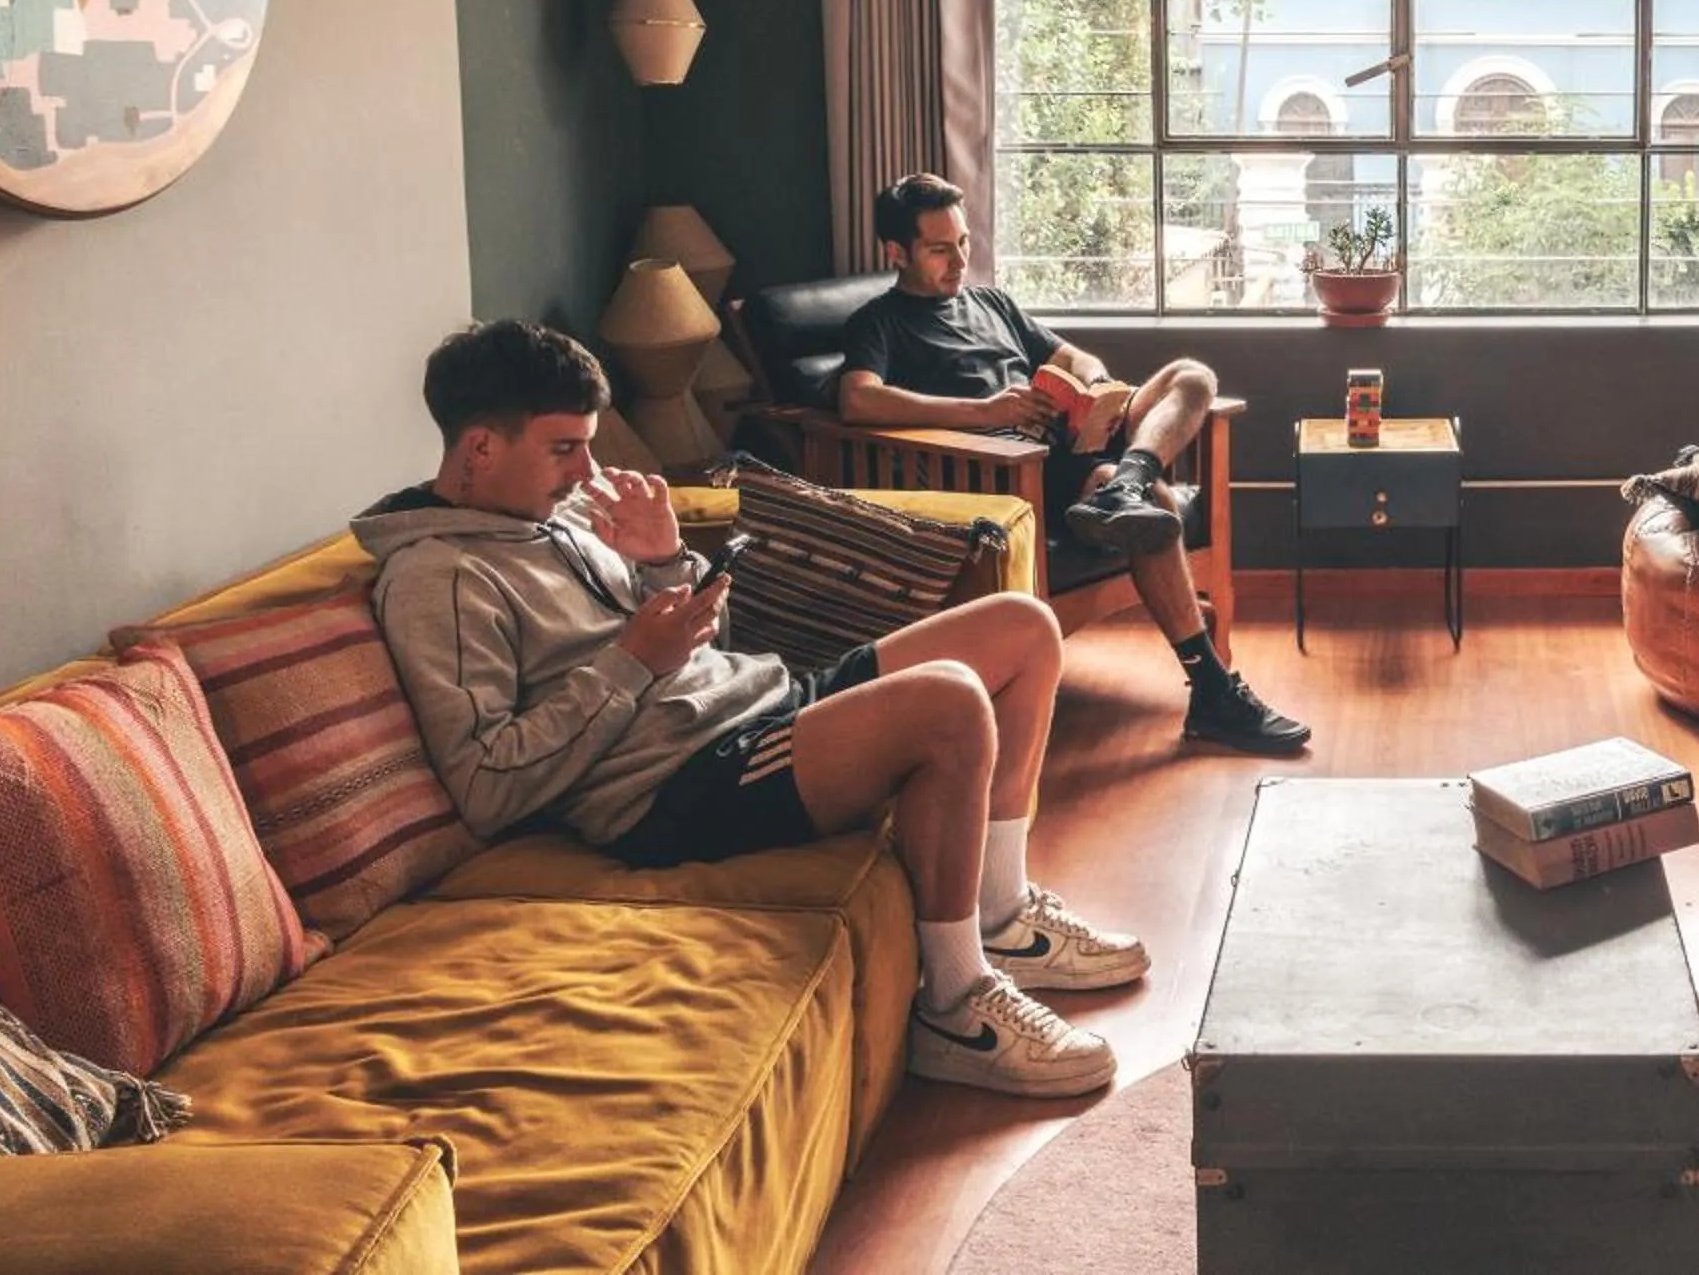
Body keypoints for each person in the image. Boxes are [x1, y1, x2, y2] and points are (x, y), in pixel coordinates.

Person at [355, 319, 1137, 1100]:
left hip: (756, 711)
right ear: (481, 448)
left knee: (1022, 629)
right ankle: (955, 1004)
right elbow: (487, 786)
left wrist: (663, 565)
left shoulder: (551, 519)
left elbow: (688, 649)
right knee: (949, 703)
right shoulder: (440, 579)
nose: (587, 470)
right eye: (564, 449)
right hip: (679, 786)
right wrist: (632, 660)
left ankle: (999, 917)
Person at [836, 173, 1311, 757]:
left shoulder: (992, 303)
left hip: (1081, 443)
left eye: (963, 243)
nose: (959, 260)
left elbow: (1073, 355)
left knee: (1194, 377)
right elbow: (858, 398)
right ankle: (1212, 689)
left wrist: (1096, 387)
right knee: (1156, 506)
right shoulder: (880, 322)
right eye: (940, 249)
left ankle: (1124, 484)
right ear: (896, 252)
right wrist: (984, 413)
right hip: (1017, 472)